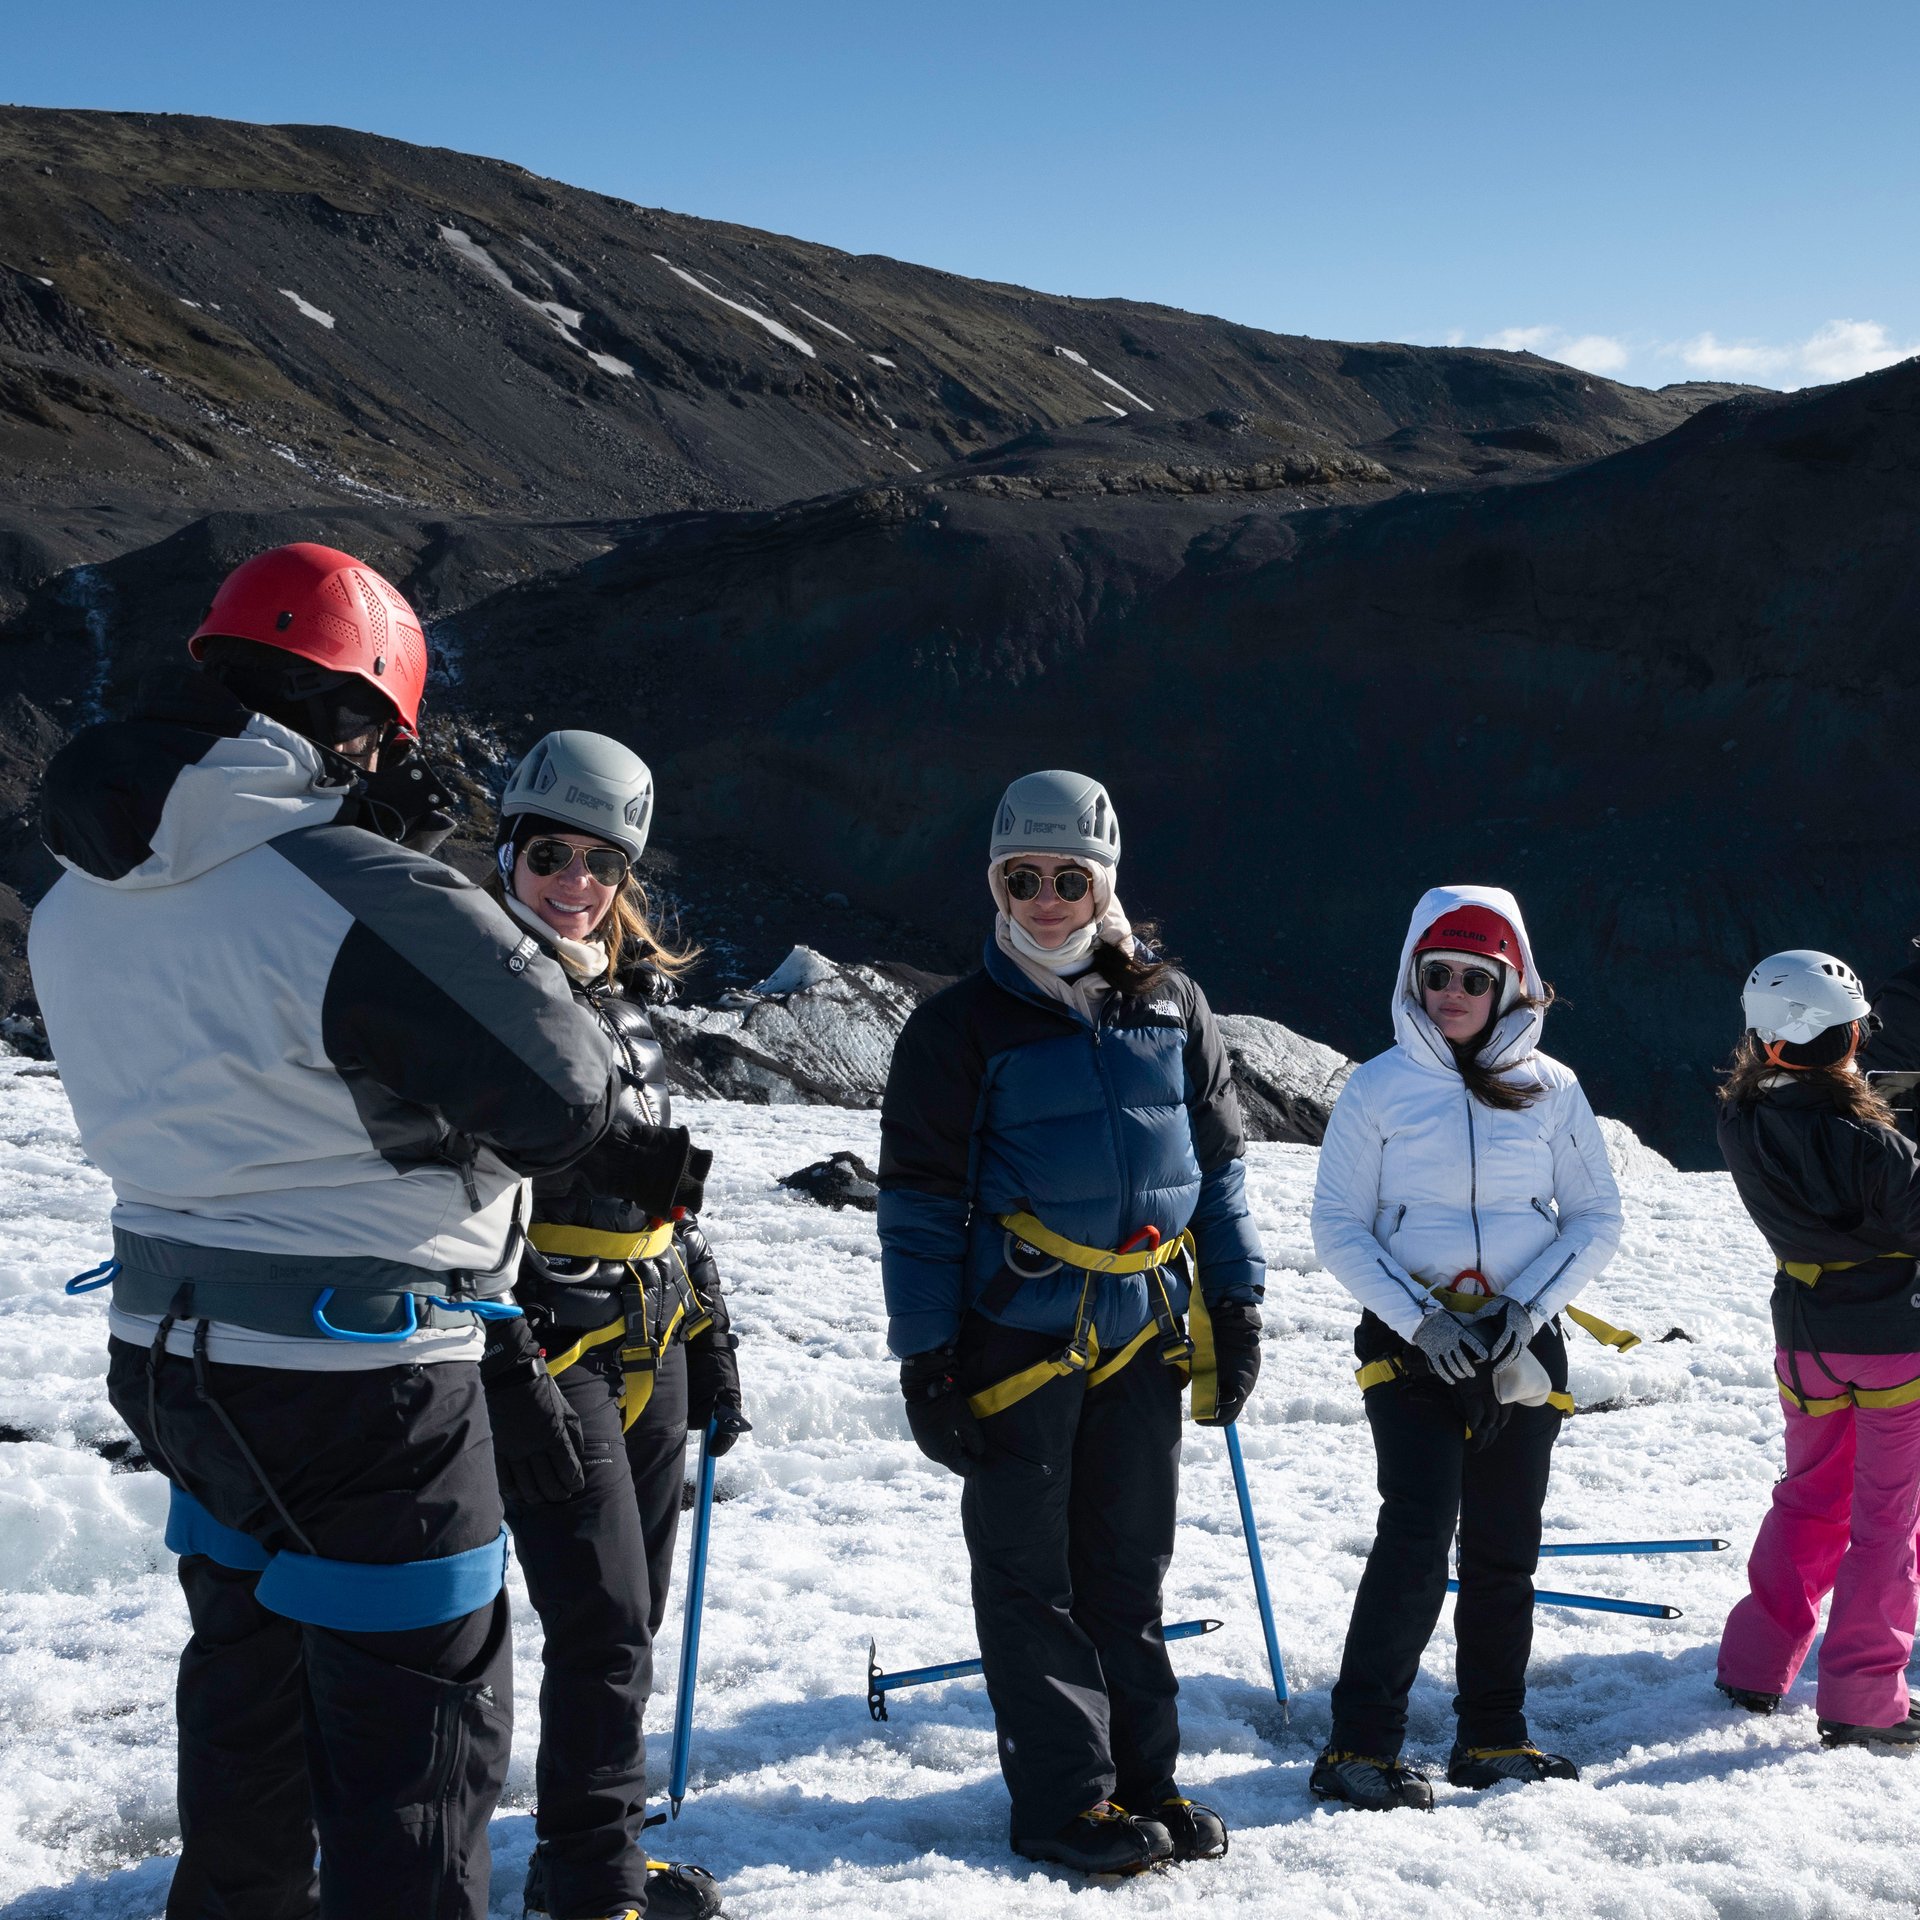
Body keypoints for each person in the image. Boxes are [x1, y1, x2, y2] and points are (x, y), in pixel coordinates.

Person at [29, 544, 633, 1918]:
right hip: (368, 1383)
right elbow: (567, 1098)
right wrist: (407, 870)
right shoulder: (352, 886)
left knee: (246, 1697)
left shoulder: (77, 897)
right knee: (414, 1753)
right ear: (354, 720)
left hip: (175, 1354)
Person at [877, 769, 1266, 1876]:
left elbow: (1222, 1169)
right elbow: (915, 1202)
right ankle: (1063, 1803)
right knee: (1028, 1575)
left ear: (1106, 882)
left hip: (1144, 1324)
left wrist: (1236, 1303)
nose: (1046, 899)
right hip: (1016, 1337)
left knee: (1126, 1567)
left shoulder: (1170, 1005)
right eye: (1022, 877)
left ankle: (1143, 1782)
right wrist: (928, 1360)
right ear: (996, 882)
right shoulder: (958, 1027)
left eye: (1068, 877)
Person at [486, 730, 746, 1919]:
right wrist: (505, 1353)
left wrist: (712, 1325)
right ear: (507, 852)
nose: (576, 885)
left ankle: (599, 1852)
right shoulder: (474, 993)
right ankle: (588, 1883)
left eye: (600, 864)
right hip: (548, 1338)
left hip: (649, 1327)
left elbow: (667, 1194)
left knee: (628, 1613)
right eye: (550, 855)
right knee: (598, 1620)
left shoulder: (632, 1002)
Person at [1309, 886, 1622, 1810]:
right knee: (1414, 1538)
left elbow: (1597, 1218)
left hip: (1520, 1348)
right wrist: (1423, 1321)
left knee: (1503, 1550)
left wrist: (1525, 1309)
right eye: (1435, 974)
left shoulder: (1553, 1088)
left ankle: (1492, 1737)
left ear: (1508, 985)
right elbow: (1338, 1226)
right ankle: (1359, 1747)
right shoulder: (1376, 1087)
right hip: (1414, 1352)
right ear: (1414, 977)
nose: (1451, 992)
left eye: (1473, 978)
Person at [1714, 950, 1920, 1748]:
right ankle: (1864, 1697)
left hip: (1804, 1344)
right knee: (1887, 1521)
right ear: (1854, 1035)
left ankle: (1756, 1664)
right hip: (1893, 1348)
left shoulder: (1738, 1120)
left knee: (1809, 1496)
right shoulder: (1874, 1144)